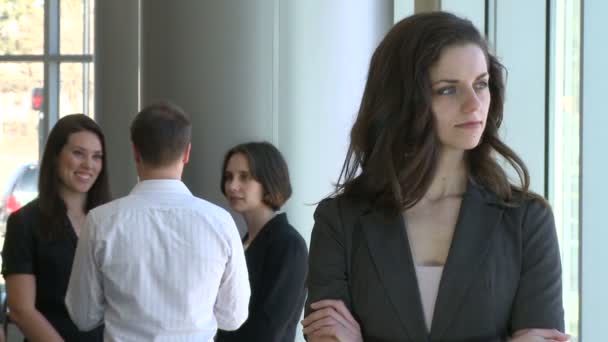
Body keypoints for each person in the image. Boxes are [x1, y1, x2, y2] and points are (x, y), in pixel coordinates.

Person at [301, 12, 569, 342]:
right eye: (447, 90)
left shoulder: (528, 221)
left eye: (481, 85)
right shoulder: (339, 222)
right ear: (401, 100)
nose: (474, 105)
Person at [64, 102, 250, 341]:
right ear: (186, 153)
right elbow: (233, 317)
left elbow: (84, 315)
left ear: (135, 152)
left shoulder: (101, 221)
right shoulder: (221, 222)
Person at [2, 114, 110, 341]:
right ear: (55, 157)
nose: (88, 165)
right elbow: (22, 310)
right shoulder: (25, 222)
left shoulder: (111, 219)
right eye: (78, 153)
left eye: (97, 156)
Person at [216, 142, 308, 342]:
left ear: (269, 180)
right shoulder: (241, 244)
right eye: (228, 177)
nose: (232, 186)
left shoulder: (289, 245)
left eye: (244, 177)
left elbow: (267, 329)